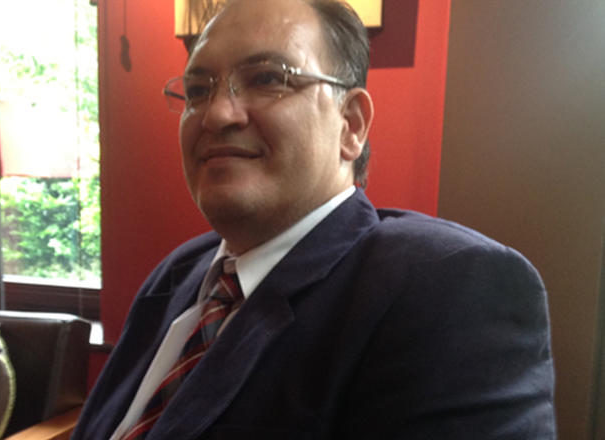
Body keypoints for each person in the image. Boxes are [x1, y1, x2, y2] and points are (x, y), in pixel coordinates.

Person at [71, 0, 556, 438]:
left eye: (268, 78)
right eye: (198, 89)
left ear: (351, 124)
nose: (216, 114)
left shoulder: (449, 289)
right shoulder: (179, 274)